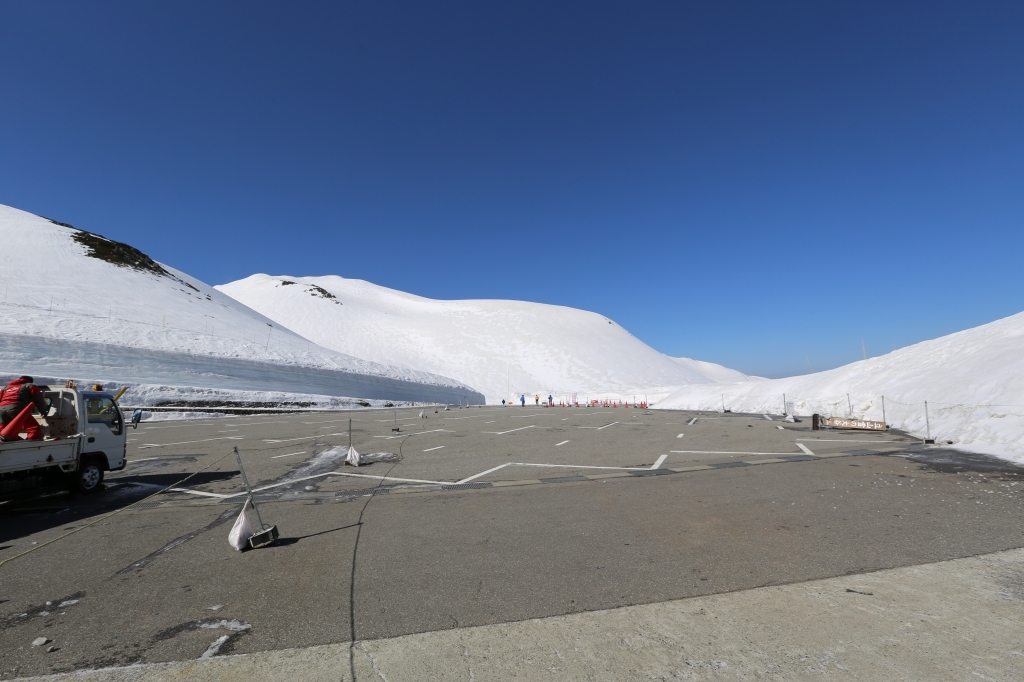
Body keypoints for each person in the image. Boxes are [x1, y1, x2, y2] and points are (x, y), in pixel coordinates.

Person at [0, 376, 47, 441]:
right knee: (33, 427)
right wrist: (43, 411)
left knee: (3, 427)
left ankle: (4, 443)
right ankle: (33, 443)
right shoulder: (31, 386)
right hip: (16, 408)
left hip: (1, 409)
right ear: (30, 381)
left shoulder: (5, 388)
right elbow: (38, 399)